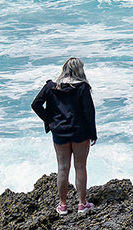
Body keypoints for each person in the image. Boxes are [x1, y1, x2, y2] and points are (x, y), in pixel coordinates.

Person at [31, 57, 98, 215]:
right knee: (80, 166)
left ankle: (62, 206)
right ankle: (82, 204)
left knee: (62, 168)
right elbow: (89, 112)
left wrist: (51, 121)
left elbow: (36, 104)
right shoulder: (82, 87)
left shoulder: (51, 86)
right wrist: (92, 133)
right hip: (79, 131)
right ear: (80, 70)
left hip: (60, 131)